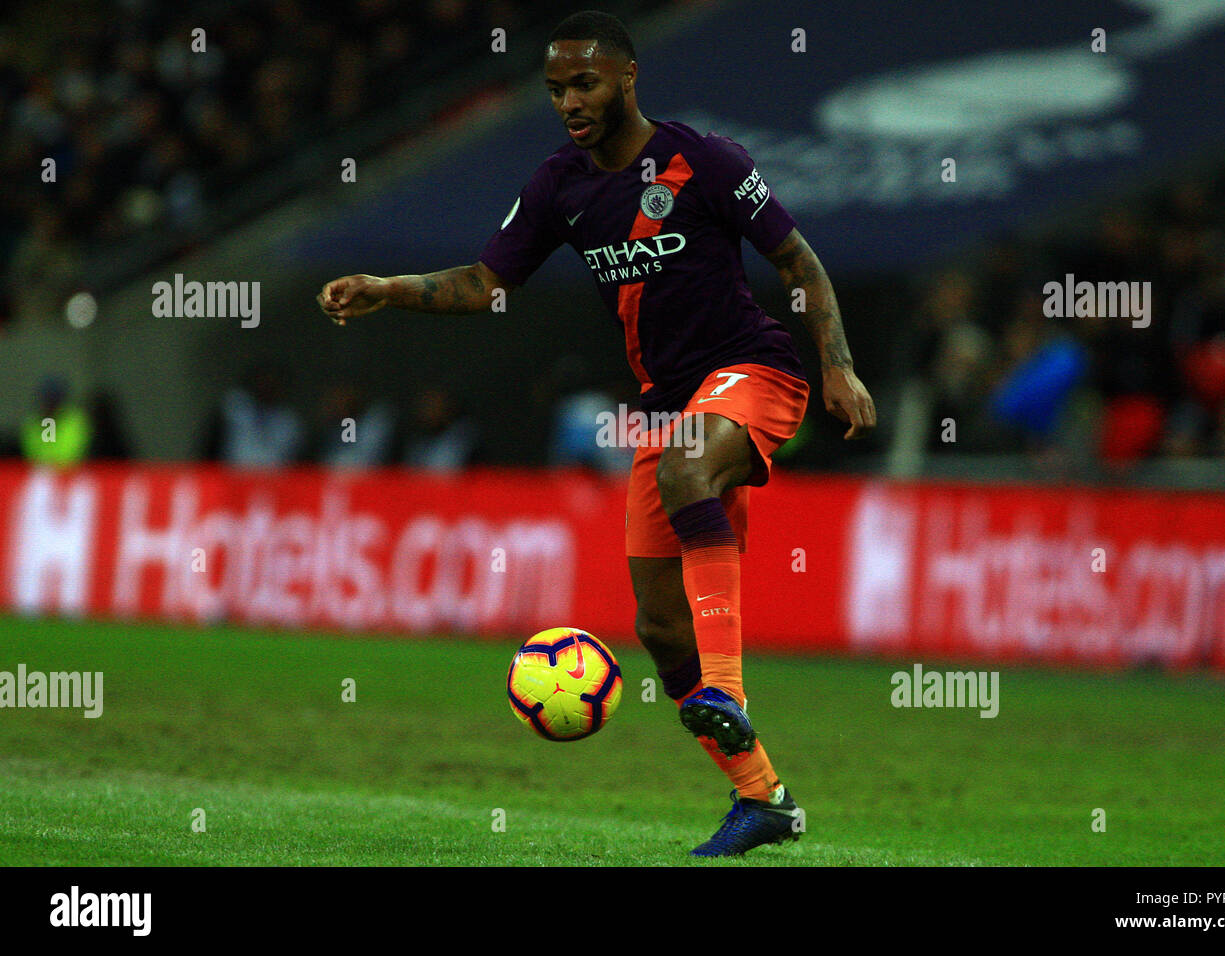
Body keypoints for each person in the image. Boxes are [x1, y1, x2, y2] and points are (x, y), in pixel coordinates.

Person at [317, 10, 876, 856]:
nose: (568, 101)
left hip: (755, 372)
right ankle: (763, 798)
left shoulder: (707, 161)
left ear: (626, 79)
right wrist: (389, 287)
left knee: (690, 473)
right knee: (657, 626)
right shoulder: (558, 188)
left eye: (584, 84)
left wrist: (836, 362)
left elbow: (799, 263)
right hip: (666, 405)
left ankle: (727, 690)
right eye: (554, 89)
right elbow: (485, 279)